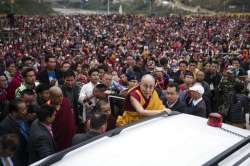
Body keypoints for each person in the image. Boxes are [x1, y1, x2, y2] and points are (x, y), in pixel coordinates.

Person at [0, 99, 29, 166]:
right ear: (14, 112)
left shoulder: (24, 118)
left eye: (26, 108)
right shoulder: (4, 126)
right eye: (23, 110)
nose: (26, 111)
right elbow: (9, 149)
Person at [48, 86, 76, 151]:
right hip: (59, 137)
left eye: (61, 95)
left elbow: (71, 113)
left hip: (71, 134)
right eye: (58, 96)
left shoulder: (66, 101)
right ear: (51, 97)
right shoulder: (48, 107)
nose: (61, 98)